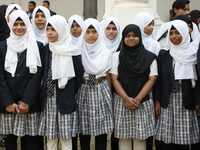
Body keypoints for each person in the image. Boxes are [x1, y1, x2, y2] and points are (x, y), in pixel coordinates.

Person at [38, 15, 84, 150]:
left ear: (62, 30)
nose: (50, 33)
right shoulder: (46, 49)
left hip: (65, 97)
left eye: (54, 29)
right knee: (51, 136)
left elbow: (78, 77)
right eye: (48, 29)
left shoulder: (72, 51)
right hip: (49, 99)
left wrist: (68, 92)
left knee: (65, 137)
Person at [154, 20, 200, 150]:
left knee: (183, 142)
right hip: (167, 100)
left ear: (185, 34)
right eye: (171, 33)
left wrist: (198, 101)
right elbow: (159, 81)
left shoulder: (193, 53)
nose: (174, 36)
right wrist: (157, 101)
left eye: (177, 33)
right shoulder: (164, 54)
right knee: (167, 142)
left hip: (185, 101)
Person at [0, 10, 43, 150]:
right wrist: (8, 101)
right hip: (8, 103)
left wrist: (27, 101)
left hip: (29, 103)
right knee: (10, 140)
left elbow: (37, 75)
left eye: (22, 24)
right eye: (15, 24)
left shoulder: (37, 46)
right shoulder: (2, 46)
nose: (19, 27)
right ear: (10, 25)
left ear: (27, 25)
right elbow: (0, 76)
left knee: (31, 140)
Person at [110, 24, 157, 150]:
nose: (131, 38)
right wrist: (126, 98)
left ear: (140, 37)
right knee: (123, 137)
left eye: (134, 36)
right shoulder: (117, 56)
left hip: (142, 102)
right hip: (122, 102)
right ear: (123, 38)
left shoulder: (150, 57)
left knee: (140, 138)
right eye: (128, 36)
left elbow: (152, 80)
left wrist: (137, 99)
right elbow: (114, 79)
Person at [76, 18, 113, 150]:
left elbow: (108, 76)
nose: (91, 35)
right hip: (83, 90)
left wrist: (110, 94)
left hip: (101, 89)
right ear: (83, 33)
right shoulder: (77, 52)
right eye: (88, 32)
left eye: (94, 31)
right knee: (84, 128)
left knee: (101, 129)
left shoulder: (106, 52)